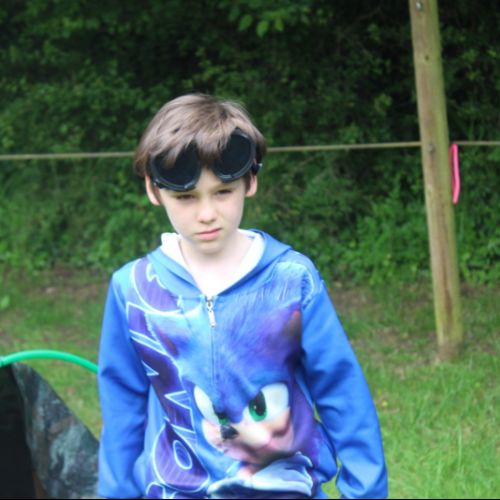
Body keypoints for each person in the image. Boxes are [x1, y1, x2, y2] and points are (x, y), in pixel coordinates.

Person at [97, 93, 388, 499]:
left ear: (250, 180)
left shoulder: (292, 280)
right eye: (186, 197)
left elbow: (341, 391)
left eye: (222, 192)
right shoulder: (133, 290)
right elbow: (122, 411)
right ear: (153, 189)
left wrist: (365, 492)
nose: (206, 214)